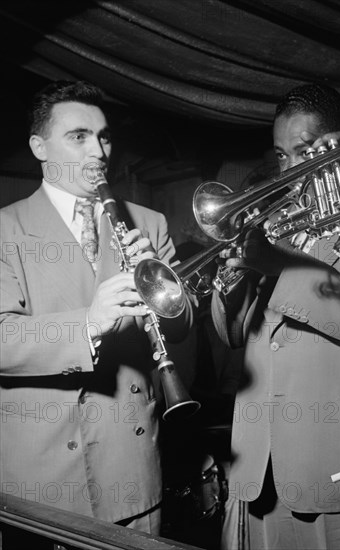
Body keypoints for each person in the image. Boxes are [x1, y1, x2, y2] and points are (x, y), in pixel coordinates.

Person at [212, 83, 340, 550]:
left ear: (339, 144)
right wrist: (233, 282)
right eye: (281, 155)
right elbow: (234, 337)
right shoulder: (275, 227)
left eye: (302, 151)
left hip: (332, 472)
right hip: (255, 469)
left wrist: (276, 267)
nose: (288, 169)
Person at [0, 80, 194, 539]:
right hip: (41, 478)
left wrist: (160, 279)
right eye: (79, 136)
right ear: (38, 146)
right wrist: (88, 323)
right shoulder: (6, 228)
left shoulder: (149, 222)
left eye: (103, 136)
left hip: (131, 467)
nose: (99, 152)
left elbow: (183, 326)